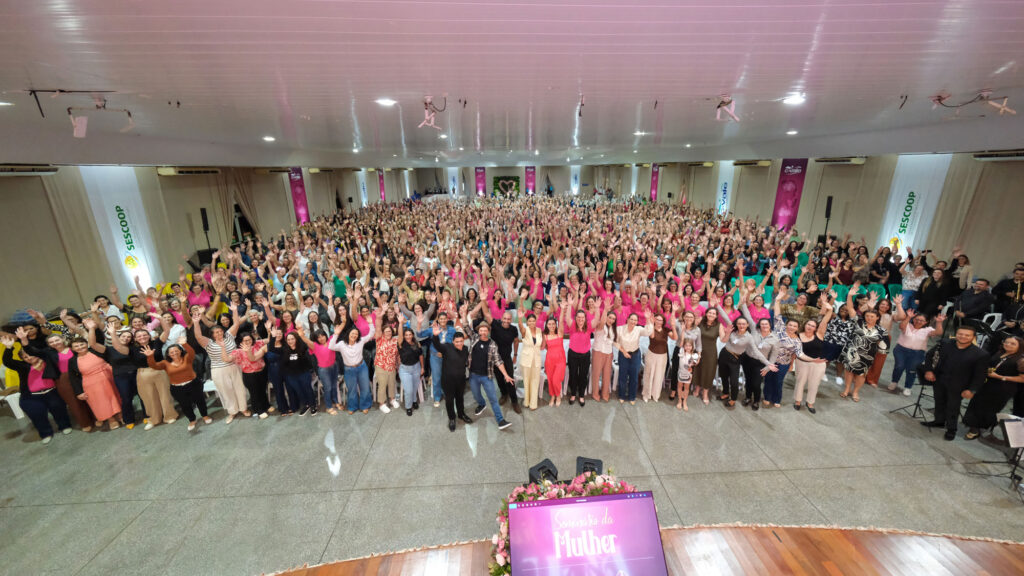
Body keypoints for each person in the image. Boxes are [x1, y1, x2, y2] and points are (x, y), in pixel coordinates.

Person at [920, 325, 990, 440]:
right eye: (960, 334)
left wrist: (972, 390)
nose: (963, 337)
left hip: (959, 385)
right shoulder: (945, 343)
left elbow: (980, 375)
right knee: (939, 401)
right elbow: (929, 355)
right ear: (956, 333)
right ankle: (939, 421)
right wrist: (928, 370)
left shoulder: (981, 354)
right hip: (939, 379)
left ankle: (951, 429)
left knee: (953, 407)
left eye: (967, 335)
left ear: (973, 337)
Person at [1, 334, 71, 443]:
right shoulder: (23, 367)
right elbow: (7, 362)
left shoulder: (47, 361)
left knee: (59, 409)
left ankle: (64, 426)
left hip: (51, 392)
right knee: (36, 414)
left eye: (30, 355)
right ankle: (45, 433)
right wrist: (9, 347)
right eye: (25, 357)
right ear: (22, 359)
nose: (29, 358)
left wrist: (24, 340)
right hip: (31, 397)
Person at [192, 305, 249, 423]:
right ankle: (232, 412)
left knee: (239, 388)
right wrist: (196, 323)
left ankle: (243, 409)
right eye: (215, 332)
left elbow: (236, 324)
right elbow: (197, 336)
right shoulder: (208, 343)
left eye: (220, 331)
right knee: (226, 391)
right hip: (219, 370)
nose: (218, 334)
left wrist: (234, 311)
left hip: (234, 366)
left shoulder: (228, 335)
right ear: (211, 335)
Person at [463, 305, 515, 430]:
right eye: (481, 330)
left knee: (493, 399)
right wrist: (464, 313)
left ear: (488, 331)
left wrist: (506, 375)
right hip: (473, 375)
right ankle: (481, 404)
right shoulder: (474, 338)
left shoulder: (492, 344)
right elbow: (465, 326)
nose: (483, 332)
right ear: (478, 331)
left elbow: (498, 360)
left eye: (485, 329)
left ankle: (500, 420)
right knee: (476, 395)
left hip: (487, 377)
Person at [143, 338, 212, 431]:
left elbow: (191, 352)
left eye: (176, 351)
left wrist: (184, 344)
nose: (174, 353)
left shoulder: (187, 358)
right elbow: (154, 366)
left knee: (200, 401)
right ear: (168, 354)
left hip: (193, 384)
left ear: (180, 351)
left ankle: (205, 416)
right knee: (185, 405)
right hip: (177, 388)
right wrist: (150, 356)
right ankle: (192, 420)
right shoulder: (165, 363)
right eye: (171, 352)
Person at [962, 336, 1024, 440]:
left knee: (988, 408)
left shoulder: (1021, 360)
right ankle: (972, 423)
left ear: (1020, 346)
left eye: (1013, 344)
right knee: (977, 403)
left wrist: (1000, 377)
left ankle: (977, 428)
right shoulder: (1000, 352)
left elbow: (1022, 378)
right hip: (988, 383)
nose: (1008, 345)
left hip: (1003, 388)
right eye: (1006, 342)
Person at [69, 321, 122, 430]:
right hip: (91, 383)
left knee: (116, 396)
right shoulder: (72, 361)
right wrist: (78, 392)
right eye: (76, 346)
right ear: (72, 349)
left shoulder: (95, 350)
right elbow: (73, 377)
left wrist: (92, 328)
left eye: (82, 344)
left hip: (108, 376)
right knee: (101, 401)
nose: (80, 347)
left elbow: (94, 341)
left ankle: (121, 415)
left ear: (86, 344)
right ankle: (110, 419)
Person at [840, 283, 889, 402]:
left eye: (872, 317)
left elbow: (883, 348)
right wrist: (850, 296)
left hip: (867, 355)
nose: (869, 318)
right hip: (852, 351)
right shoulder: (858, 322)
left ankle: (855, 392)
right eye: (867, 316)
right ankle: (846, 389)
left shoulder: (882, 331)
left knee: (861, 374)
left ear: (877, 318)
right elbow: (851, 308)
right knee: (849, 371)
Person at [888, 298, 943, 396]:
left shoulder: (928, 330)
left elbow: (938, 333)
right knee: (899, 366)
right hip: (901, 350)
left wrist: (939, 322)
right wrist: (908, 317)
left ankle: (908, 387)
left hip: (917, 353)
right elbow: (901, 327)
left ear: (926, 322)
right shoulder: (908, 325)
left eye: (921, 321)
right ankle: (894, 382)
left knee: (912, 370)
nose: (918, 322)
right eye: (917, 319)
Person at [431, 325, 474, 432]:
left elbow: (466, 363)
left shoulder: (465, 349)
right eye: (457, 342)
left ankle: (461, 414)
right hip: (448, 381)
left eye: (461, 341)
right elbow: (437, 345)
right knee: (449, 401)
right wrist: (435, 336)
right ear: (453, 342)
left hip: (460, 380)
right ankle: (451, 418)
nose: (459, 344)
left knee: (460, 399)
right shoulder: (447, 347)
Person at [793, 298, 833, 413]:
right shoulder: (798, 335)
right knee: (800, 382)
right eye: (808, 324)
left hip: (819, 364)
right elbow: (797, 352)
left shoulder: (819, 334)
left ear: (816, 328)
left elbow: (824, 321)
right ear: (805, 325)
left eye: (812, 326)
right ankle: (798, 401)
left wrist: (829, 310)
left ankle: (810, 402)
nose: (810, 327)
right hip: (802, 362)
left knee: (814, 384)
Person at [615, 312, 652, 405]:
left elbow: (648, 332)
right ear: (627, 319)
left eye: (635, 320)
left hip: (635, 355)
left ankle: (632, 396)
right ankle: (622, 395)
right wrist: (624, 352)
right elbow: (615, 342)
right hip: (623, 354)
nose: (633, 321)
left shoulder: (638, 329)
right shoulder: (619, 329)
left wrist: (647, 319)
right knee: (622, 376)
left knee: (634, 377)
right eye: (631, 319)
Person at [232, 332, 271, 419]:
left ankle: (266, 406)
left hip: (261, 371)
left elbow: (269, 341)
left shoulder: (257, 343)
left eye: (249, 339)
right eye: (245, 340)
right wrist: (222, 347)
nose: (248, 342)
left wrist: (268, 332)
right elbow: (251, 359)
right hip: (250, 375)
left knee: (262, 390)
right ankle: (259, 410)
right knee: (254, 393)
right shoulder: (238, 351)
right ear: (241, 342)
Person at [641, 313, 676, 403]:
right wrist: (651, 324)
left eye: (661, 320)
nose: (659, 322)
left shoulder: (666, 330)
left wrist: (673, 326)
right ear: (654, 320)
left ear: (663, 321)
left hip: (663, 356)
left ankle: (655, 394)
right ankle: (646, 394)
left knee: (659, 376)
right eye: (657, 319)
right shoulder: (651, 328)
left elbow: (675, 338)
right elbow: (652, 337)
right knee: (648, 375)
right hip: (651, 354)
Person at [516, 312, 544, 410]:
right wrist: (520, 319)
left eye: (533, 321)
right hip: (526, 360)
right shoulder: (525, 330)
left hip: (536, 360)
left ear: (536, 321)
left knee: (535, 380)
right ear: (527, 322)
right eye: (529, 321)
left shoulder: (540, 331)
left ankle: (533, 403)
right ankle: (526, 402)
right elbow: (521, 327)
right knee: (526, 380)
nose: (532, 322)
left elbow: (542, 344)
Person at [543, 306, 569, 407]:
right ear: (547, 325)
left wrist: (562, 310)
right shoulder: (545, 336)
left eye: (553, 324)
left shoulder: (560, 333)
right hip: (549, 361)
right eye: (549, 324)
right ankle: (552, 396)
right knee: (550, 380)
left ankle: (558, 395)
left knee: (555, 380)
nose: (552, 325)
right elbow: (543, 347)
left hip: (560, 361)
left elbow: (561, 321)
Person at [397, 328, 422, 416]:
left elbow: (421, 355)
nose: (408, 336)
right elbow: (399, 335)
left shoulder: (416, 343)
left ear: (412, 335)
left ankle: (414, 400)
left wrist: (422, 368)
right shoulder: (401, 344)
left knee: (415, 387)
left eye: (410, 334)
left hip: (416, 367)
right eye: (406, 335)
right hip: (405, 370)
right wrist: (400, 323)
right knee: (409, 390)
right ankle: (408, 406)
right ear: (404, 336)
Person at [675, 338, 700, 411]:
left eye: (690, 346)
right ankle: (679, 400)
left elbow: (695, 363)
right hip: (680, 373)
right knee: (679, 387)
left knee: (686, 388)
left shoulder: (694, 355)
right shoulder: (681, 352)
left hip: (688, 374)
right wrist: (683, 331)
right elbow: (681, 342)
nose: (688, 347)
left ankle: (685, 401)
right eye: (686, 345)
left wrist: (698, 357)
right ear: (683, 346)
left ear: (692, 346)